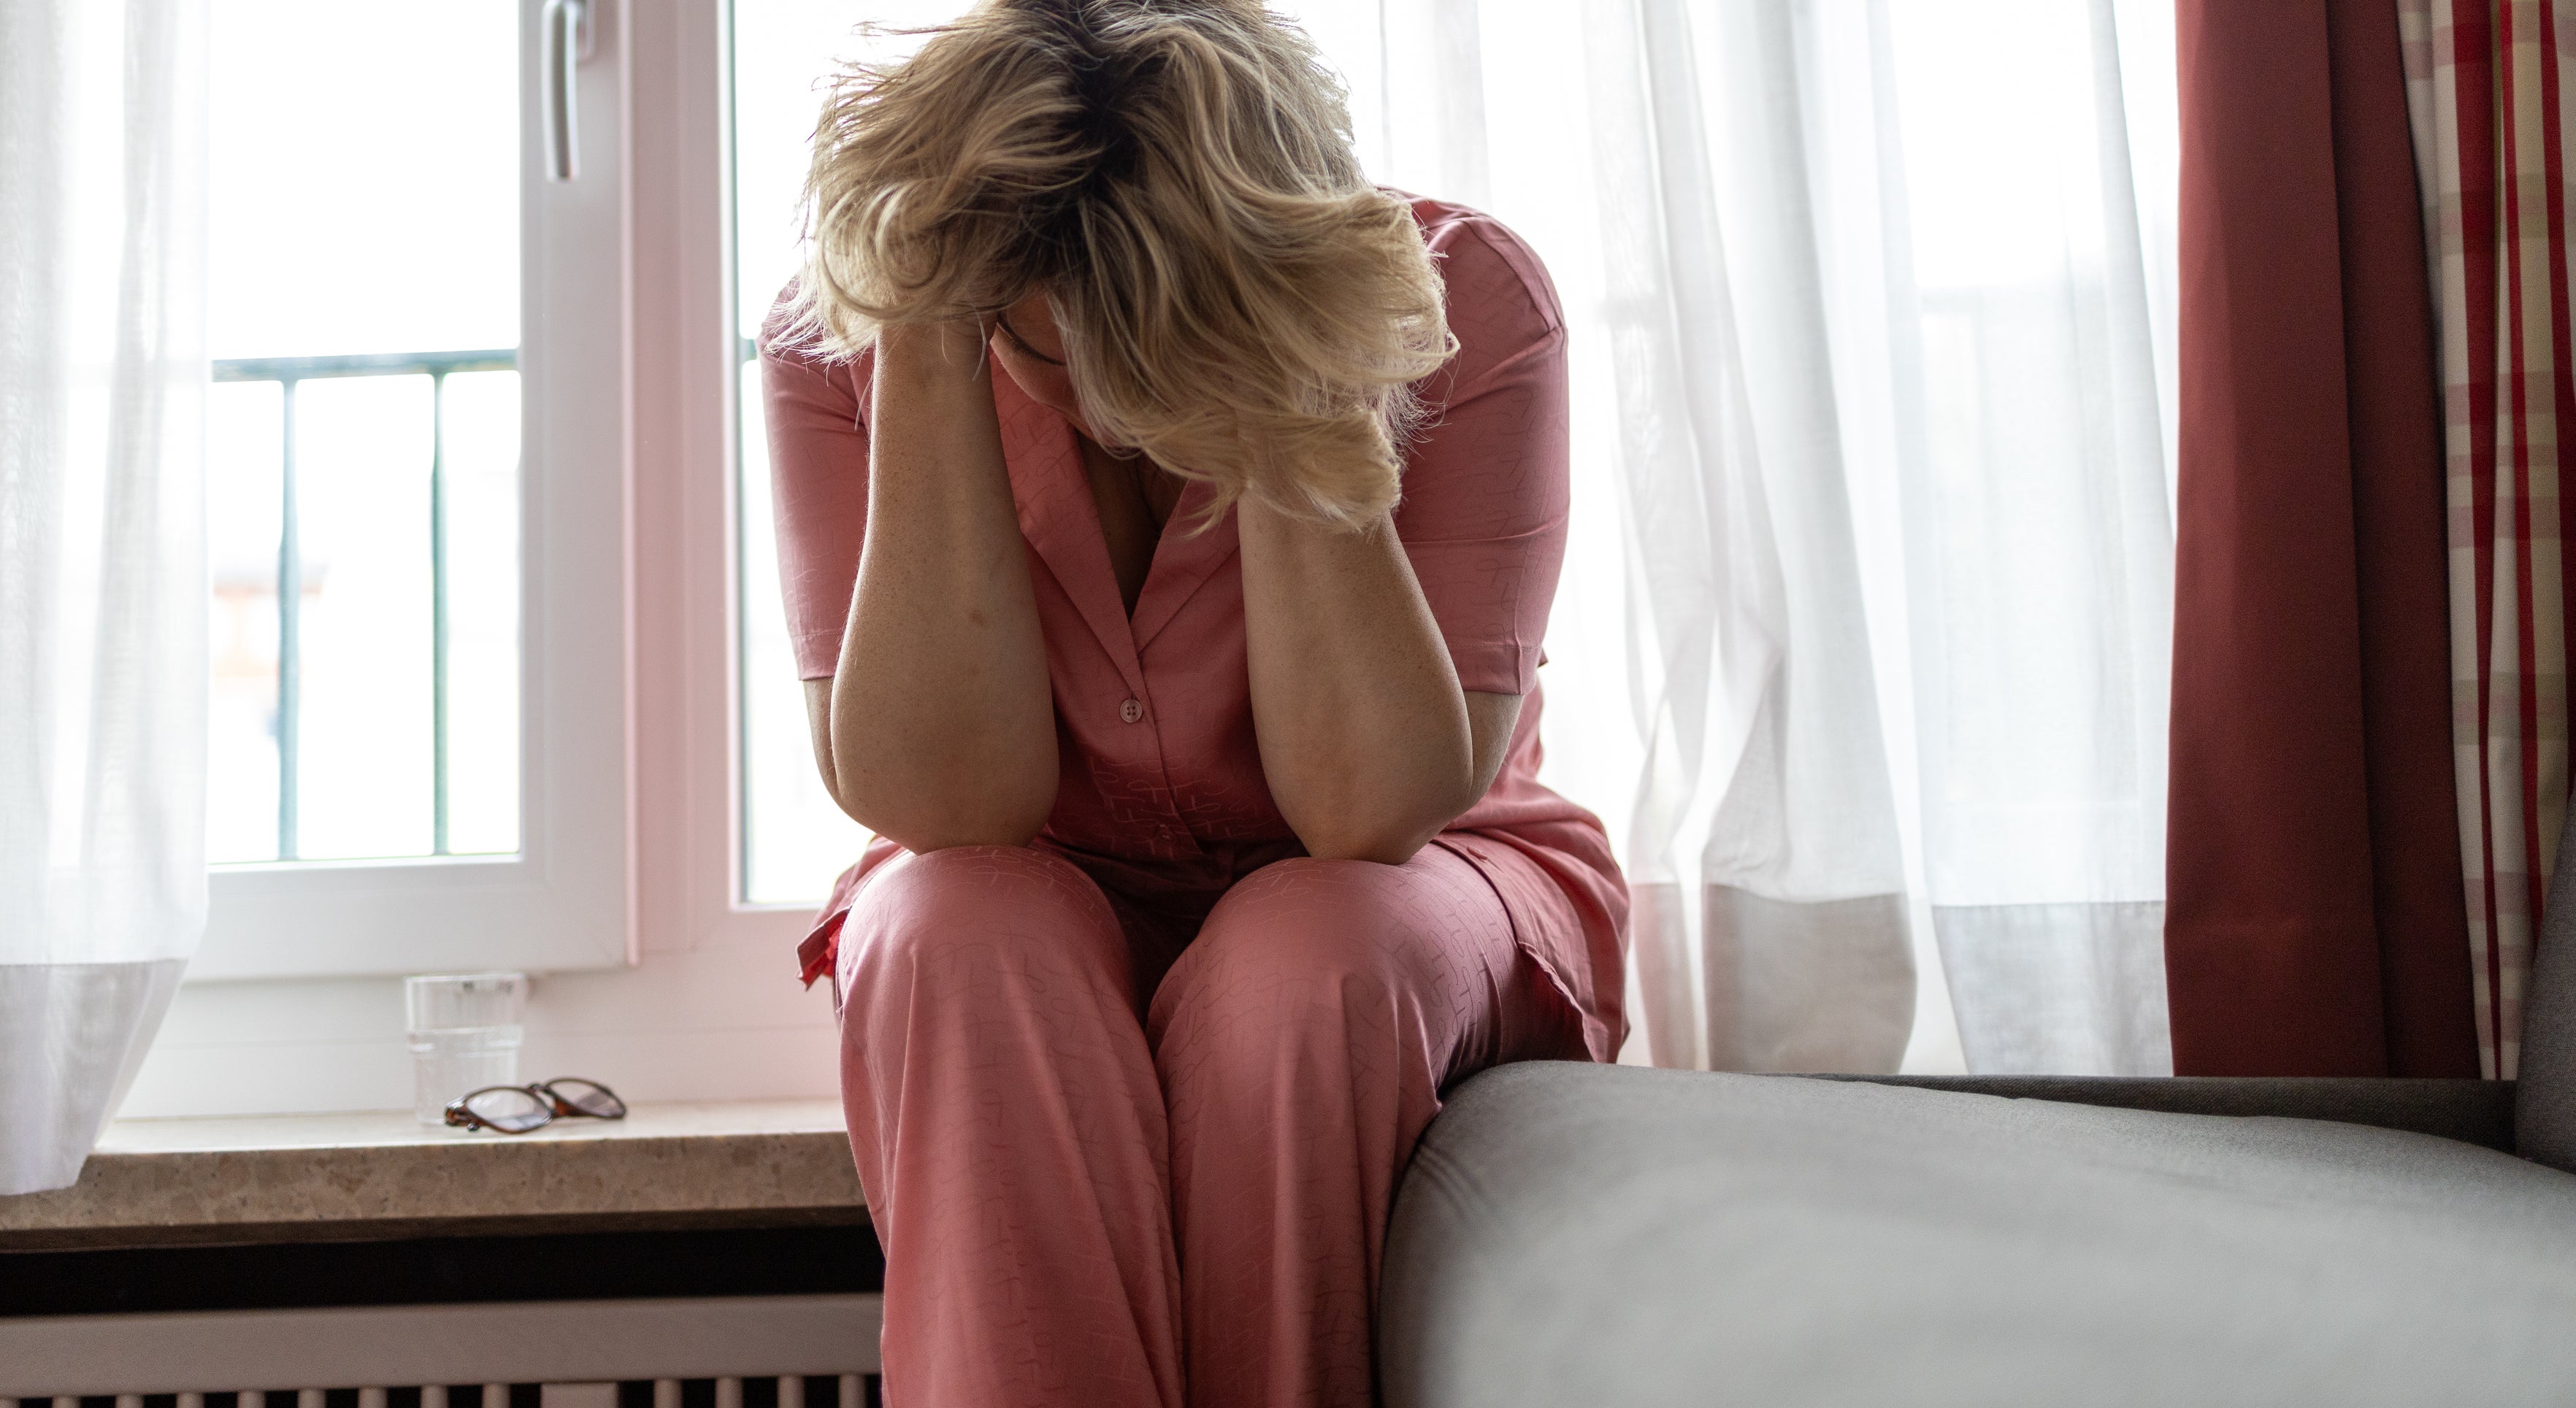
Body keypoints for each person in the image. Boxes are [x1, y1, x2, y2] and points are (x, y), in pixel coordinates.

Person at [759, 2, 1625, 1403]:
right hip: (1043, 889)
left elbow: (1370, 811)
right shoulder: (853, 333)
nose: (1110, 410)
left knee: (1308, 957)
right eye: (1061, 355)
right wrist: (927, 342)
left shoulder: (1469, 297)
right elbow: (948, 807)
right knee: (946, 927)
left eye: (1149, 350)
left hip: (1411, 876)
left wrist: (1278, 353)